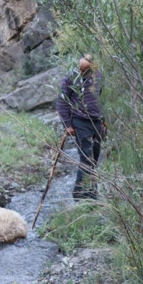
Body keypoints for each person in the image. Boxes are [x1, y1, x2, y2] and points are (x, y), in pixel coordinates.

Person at [56, 53, 107, 200]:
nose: (89, 61)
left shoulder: (99, 76)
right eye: (86, 59)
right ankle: (82, 195)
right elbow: (62, 101)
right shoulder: (71, 77)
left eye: (91, 59)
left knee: (94, 158)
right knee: (86, 157)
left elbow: (102, 98)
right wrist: (67, 124)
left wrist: (104, 120)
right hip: (80, 121)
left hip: (96, 122)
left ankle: (89, 191)